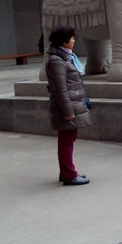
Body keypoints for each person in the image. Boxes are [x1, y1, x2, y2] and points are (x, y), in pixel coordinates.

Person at [45, 26, 91, 186]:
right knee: (66, 140)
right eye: (71, 38)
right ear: (64, 42)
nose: (74, 40)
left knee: (67, 139)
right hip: (66, 108)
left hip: (71, 105)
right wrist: (68, 111)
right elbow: (60, 89)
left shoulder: (64, 58)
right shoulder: (57, 61)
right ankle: (69, 175)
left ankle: (65, 172)